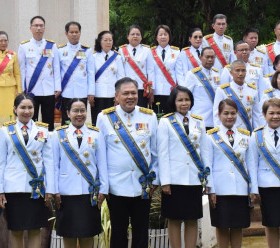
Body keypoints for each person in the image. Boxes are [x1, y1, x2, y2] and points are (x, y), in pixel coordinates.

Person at [96, 77, 159, 248]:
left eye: (133, 93)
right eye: (125, 93)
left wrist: (155, 179)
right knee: (118, 232)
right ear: (116, 96)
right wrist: (104, 185)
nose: (130, 97)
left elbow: (155, 152)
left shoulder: (150, 116)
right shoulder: (104, 117)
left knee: (141, 233)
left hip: (142, 185)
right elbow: (100, 155)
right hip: (116, 185)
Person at [0, 94, 54, 248]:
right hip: (14, 188)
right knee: (16, 230)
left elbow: (49, 162)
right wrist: (0, 191)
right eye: (23, 107)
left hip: (36, 189)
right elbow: (1, 163)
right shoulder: (5, 131)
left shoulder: (42, 130)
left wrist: (50, 188)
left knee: (35, 229)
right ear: (15, 109)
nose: (26, 111)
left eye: (30, 107)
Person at [157, 86, 210, 248]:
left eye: (187, 100)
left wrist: (206, 180)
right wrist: (165, 181)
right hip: (174, 180)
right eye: (180, 100)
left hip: (193, 178)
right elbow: (162, 153)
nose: (184, 103)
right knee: (174, 219)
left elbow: (205, 152)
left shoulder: (199, 122)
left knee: (192, 219)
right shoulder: (166, 122)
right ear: (174, 102)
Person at [52, 98, 108, 247]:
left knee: (87, 235)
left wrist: (104, 189)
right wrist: (54, 190)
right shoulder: (58, 135)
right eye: (75, 111)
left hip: (89, 193)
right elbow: (54, 166)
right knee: (68, 236)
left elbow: (102, 164)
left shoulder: (96, 134)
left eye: (82, 110)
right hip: (66, 193)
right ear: (68, 113)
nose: (79, 114)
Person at [207, 99, 255, 248]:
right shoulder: (211, 137)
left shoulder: (246, 136)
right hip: (220, 190)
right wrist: (211, 190)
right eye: (226, 113)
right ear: (219, 115)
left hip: (240, 189)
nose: (230, 116)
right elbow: (208, 165)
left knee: (237, 226)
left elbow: (251, 164)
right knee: (221, 226)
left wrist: (252, 189)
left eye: (233, 113)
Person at [18, 16, 61, 131]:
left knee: (49, 121)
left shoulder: (51, 45)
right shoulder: (24, 46)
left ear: (44, 28)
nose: (38, 28)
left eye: (41, 26)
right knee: (32, 119)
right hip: (32, 90)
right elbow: (22, 69)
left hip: (48, 89)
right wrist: (22, 88)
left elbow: (56, 68)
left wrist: (58, 87)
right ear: (30, 28)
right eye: (36, 26)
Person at [248, 98, 280, 248]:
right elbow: (253, 164)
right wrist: (254, 189)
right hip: (266, 186)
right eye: (271, 113)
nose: (275, 116)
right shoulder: (256, 135)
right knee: (270, 223)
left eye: (279, 113)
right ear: (264, 114)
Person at [57, 21, 95, 125]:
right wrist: (57, 88)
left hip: (81, 91)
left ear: (80, 32)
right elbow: (57, 71)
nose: (74, 35)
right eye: (71, 32)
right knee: (66, 119)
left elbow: (91, 73)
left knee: (80, 117)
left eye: (76, 32)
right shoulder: (60, 50)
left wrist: (91, 92)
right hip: (66, 91)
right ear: (66, 33)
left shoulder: (87, 50)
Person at [213, 60, 262, 132]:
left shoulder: (253, 90)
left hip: (247, 130)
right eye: (237, 71)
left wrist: (257, 132)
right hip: (229, 131)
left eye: (243, 71)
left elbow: (256, 114)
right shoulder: (222, 90)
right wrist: (219, 132)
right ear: (231, 72)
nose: (241, 74)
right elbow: (217, 113)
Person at [91, 30, 125, 125]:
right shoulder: (93, 57)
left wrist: (118, 94)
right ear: (100, 41)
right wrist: (91, 93)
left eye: (110, 40)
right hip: (98, 94)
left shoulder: (117, 57)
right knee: (97, 121)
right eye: (105, 40)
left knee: (112, 122)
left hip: (112, 94)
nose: (108, 42)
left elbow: (121, 77)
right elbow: (91, 77)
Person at [118, 25, 154, 108]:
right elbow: (121, 71)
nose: (135, 36)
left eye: (138, 34)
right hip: (126, 87)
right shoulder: (122, 50)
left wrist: (151, 87)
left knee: (141, 111)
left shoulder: (147, 50)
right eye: (132, 34)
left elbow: (150, 70)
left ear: (141, 37)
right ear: (128, 36)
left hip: (141, 87)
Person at [185, 47, 220, 130]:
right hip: (199, 117)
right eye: (207, 57)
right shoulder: (192, 74)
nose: (210, 59)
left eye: (212, 57)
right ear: (200, 58)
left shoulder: (217, 73)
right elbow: (186, 96)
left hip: (215, 119)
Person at [151, 25, 180, 114]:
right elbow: (150, 72)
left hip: (171, 90)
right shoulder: (150, 52)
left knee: (171, 116)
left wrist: (179, 89)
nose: (163, 37)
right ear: (156, 37)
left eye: (165, 34)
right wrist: (151, 90)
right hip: (156, 91)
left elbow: (178, 72)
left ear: (169, 37)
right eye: (160, 34)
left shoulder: (176, 52)